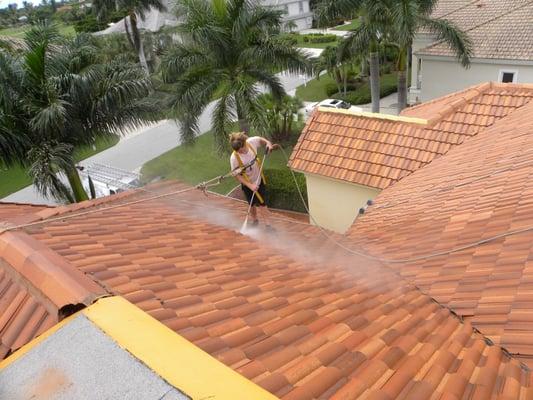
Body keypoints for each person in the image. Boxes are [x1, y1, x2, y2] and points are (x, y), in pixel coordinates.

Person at [229, 132, 276, 230]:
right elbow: (236, 175)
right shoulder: (234, 158)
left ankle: (268, 226)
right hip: (247, 184)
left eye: (240, 150)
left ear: (244, 144)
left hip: (259, 179)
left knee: (262, 203)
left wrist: (268, 143)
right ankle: (255, 220)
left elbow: (261, 139)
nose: (239, 152)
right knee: (251, 204)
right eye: (237, 151)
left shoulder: (251, 142)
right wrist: (250, 186)